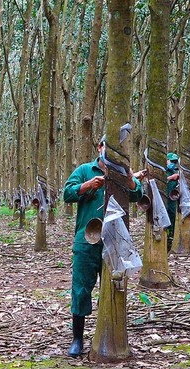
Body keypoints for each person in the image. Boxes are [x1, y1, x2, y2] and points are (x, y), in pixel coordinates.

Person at [62, 139, 143, 357]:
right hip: (86, 240)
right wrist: (88, 185)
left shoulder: (122, 171)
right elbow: (67, 194)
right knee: (81, 289)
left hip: (115, 240)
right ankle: (77, 339)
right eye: (105, 146)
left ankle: (109, 333)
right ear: (99, 148)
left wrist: (130, 178)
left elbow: (138, 194)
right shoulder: (85, 170)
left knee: (113, 287)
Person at [165, 152, 180, 251]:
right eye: (171, 161)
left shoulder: (176, 171)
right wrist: (171, 178)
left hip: (172, 200)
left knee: (172, 217)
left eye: (175, 162)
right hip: (164, 199)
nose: (173, 164)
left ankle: (171, 237)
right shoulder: (163, 171)